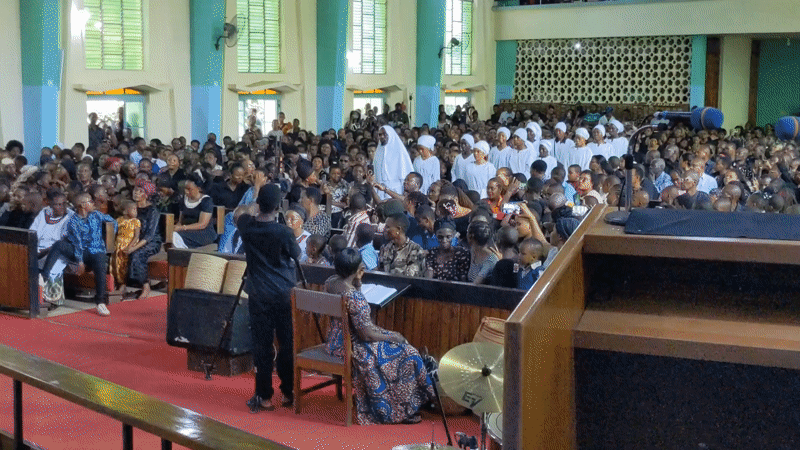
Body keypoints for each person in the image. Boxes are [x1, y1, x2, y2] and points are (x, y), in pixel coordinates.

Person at [324, 248, 433, 425]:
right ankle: (400, 409)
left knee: (398, 347)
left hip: (334, 342)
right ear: (359, 269)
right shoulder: (354, 297)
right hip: (352, 347)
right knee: (408, 353)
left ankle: (407, 401)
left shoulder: (331, 282)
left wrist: (357, 282)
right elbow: (366, 334)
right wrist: (395, 336)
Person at [237, 184, 300, 412]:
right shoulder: (284, 232)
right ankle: (288, 392)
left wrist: (254, 200)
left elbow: (240, 214)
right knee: (287, 344)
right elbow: (296, 254)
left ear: (258, 204)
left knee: (262, 346)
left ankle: (263, 396)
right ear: (278, 206)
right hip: (283, 293)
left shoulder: (247, 227)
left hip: (258, 293)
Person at [40, 193, 117, 316]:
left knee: (100, 259)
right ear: (83, 205)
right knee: (59, 245)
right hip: (80, 251)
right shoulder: (73, 222)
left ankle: (100, 302)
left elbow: (112, 221)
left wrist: (110, 238)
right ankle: (43, 276)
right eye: (90, 201)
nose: (93, 203)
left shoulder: (96, 215)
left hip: (97, 250)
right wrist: (80, 261)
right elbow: (77, 243)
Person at [30, 190, 74, 305]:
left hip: (58, 251)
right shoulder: (44, 213)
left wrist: (46, 251)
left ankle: (50, 299)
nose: (62, 207)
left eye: (64, 203)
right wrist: (37, 250)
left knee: (53, 265)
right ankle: (29, 296)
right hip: (39, 247)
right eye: (57, 204)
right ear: (50, 204)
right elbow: (33, 232)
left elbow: (65, 241)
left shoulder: (71, 216)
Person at [125, 181, 162, 299]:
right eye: (135, 190)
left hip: (150, 242)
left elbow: (149, 235)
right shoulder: (130, 207)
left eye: (139, 191)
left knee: (137, 254)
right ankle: (122, 286)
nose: (135, 193)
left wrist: (133, 247)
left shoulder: (153, 211)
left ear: (146, 194)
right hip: (132, 239)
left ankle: (145, 285)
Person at [173, 174, 217, 249]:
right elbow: (181, 220)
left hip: (203, 234)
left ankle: (181, 254)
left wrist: (182, 228)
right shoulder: (184, 200)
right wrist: (176, 227)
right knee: (171, 235)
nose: (186, 192)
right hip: (186, 231)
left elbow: (202, 224)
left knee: (175, 236)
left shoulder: (206, 201)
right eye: (185, 189)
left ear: (198, 188)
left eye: (189, 189)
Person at [373, 125, 413, 200]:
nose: (382, 137)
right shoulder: (378, 152)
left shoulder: (399, 151)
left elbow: (405, 173)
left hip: (396, 190)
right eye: (380, 134)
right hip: (380, 190)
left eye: (384, 134)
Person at [112, 201, 141, 293]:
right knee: (117, 263)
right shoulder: (118, 220)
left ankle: (124, 283)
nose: (136, 211)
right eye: (133, 209)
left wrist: (130, 246)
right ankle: (119, 283)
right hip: (118, 244)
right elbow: (114, 234)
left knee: (124, 263)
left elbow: (136, 236)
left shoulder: (135, 221)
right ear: (125, 212)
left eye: (136, 209)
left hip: (130, 244)